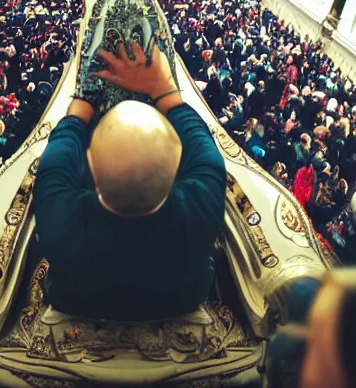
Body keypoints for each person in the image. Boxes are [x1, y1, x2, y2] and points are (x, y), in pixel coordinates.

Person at [33, 41, 226, 321]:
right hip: (180, 301)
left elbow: (65, 138)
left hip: (77, 302)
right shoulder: (204, 203)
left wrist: (87, 93)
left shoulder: (58, 219)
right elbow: (201, 142)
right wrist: (162, 88)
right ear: (177, 174)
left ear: (93, 172)